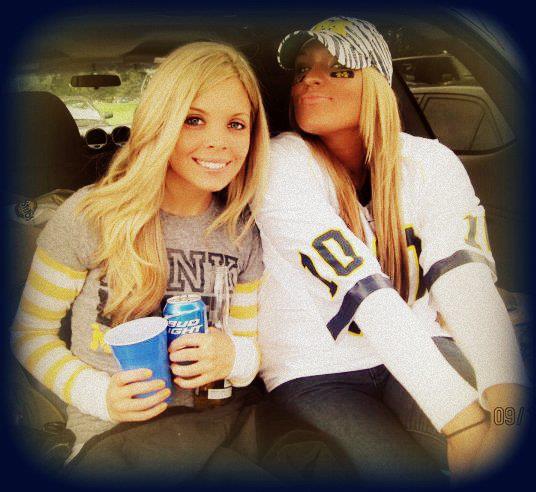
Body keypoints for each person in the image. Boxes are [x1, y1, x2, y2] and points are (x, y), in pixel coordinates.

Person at [255, 16, 528, 481]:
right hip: (315, 370)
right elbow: (359, 287)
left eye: (339, 69)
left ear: (378, 84)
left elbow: (462, 275)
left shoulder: (430, 161)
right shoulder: (279, 163)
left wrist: (507, 400)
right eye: (302, 69)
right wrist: (460, 420)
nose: (309, 80)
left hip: (421, 343)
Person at [10, 41, 268, 462]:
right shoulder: (90, 215)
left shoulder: (243, 232)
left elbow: (248, 352)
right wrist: (99, 395)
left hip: (214, 433)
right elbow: (29, 334)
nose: (218, 142)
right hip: (113, 438)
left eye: (236, 124)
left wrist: (233, 356)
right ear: (161, 121)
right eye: (194, 120)